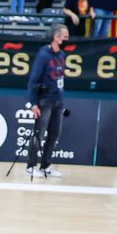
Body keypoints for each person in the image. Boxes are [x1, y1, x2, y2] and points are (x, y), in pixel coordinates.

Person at [26, 25, 70, 179]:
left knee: (54, 134)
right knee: (39, 134)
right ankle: (31, 166)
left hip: (58, 100)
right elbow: (33, 81)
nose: (67, 40)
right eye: (65, 37)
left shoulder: (62, 54)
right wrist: (33, 103)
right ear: (56, 37)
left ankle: (46, 165)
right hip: (44, 101)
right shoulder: (43, 55)